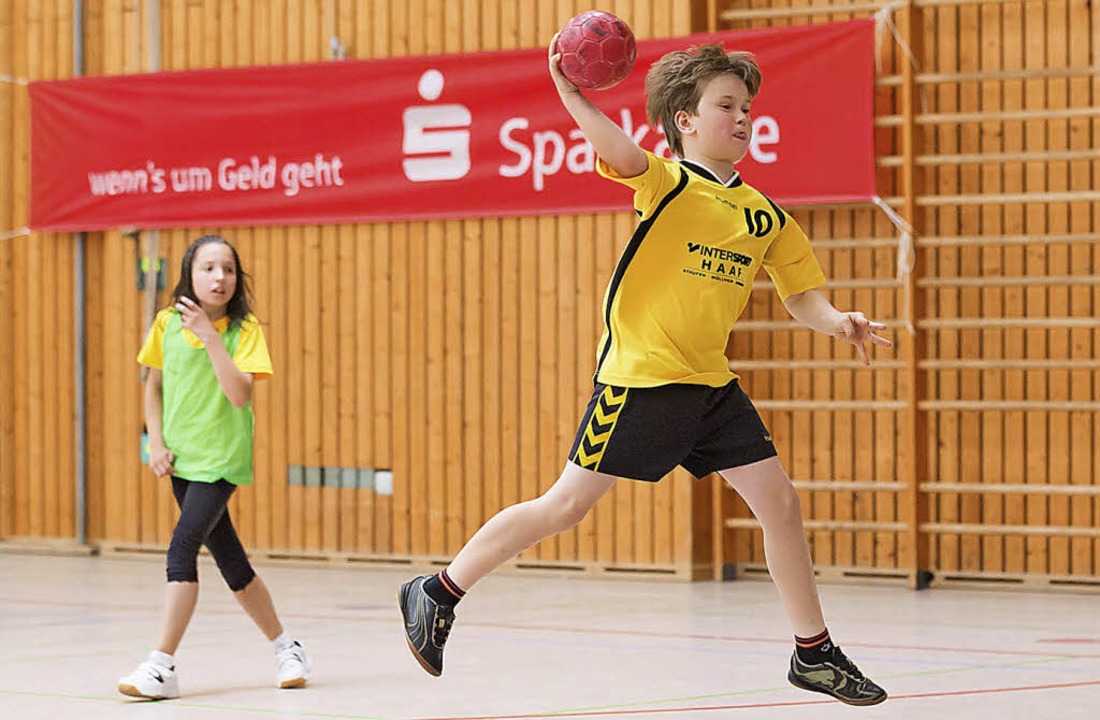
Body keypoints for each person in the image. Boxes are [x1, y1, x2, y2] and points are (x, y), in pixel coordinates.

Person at [398, 40, 891, 707]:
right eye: (725, 105)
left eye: (746, 107)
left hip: (711, 385)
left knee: (779, 504)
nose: (741, 117)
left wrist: (835, 320)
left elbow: (801, 294)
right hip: (641, 379)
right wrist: (574, 96)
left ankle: (814, 651)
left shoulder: (767, 217)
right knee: (564, 507)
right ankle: (438, 590)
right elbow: (626, 155)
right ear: (685, 120)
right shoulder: (667, 182)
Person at [118, 234, 311, 700]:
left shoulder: (244, 331)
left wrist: (210, 337)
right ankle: (288, 648)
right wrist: (155, 444)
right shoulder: (165, 322)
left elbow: (239, 394)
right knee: (232, 563)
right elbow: (153, 388)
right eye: (208, 268)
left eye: (227, 268)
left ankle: (161, 664)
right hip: (181, 460)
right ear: (190, 274)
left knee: (181, 551)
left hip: (221, 461)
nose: (219, 277)